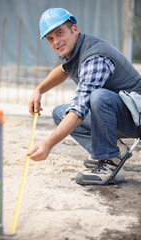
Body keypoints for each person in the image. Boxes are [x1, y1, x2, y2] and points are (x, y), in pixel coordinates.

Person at [28, 8, 141, 185]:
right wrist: (39, 90)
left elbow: (80, 108)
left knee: (98, 97)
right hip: (121, 113)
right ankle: (114, 151)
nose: (56, 42)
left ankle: (110, 165)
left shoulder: (95, 57)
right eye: (50, 38)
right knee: (60, 112)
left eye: (60, 33)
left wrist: (48, 144)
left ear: (74, 29)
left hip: (136, 117)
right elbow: (63, 70)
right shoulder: (76, 50)